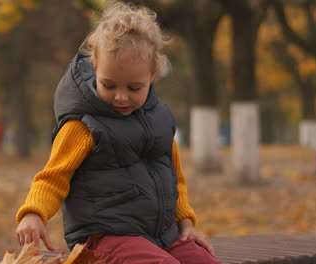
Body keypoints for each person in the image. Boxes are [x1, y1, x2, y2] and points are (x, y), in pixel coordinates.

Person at [15, 2, 221, 264]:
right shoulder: (83, 125)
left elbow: (175, 178)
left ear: (152, 76)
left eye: (135, 88)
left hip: (162, 236)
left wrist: (187, 224)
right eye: (109, 85)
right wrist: (33, 213)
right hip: (103, 238)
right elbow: (53, 178)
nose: (121, 97)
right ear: (95, 69)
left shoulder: (160, 122)